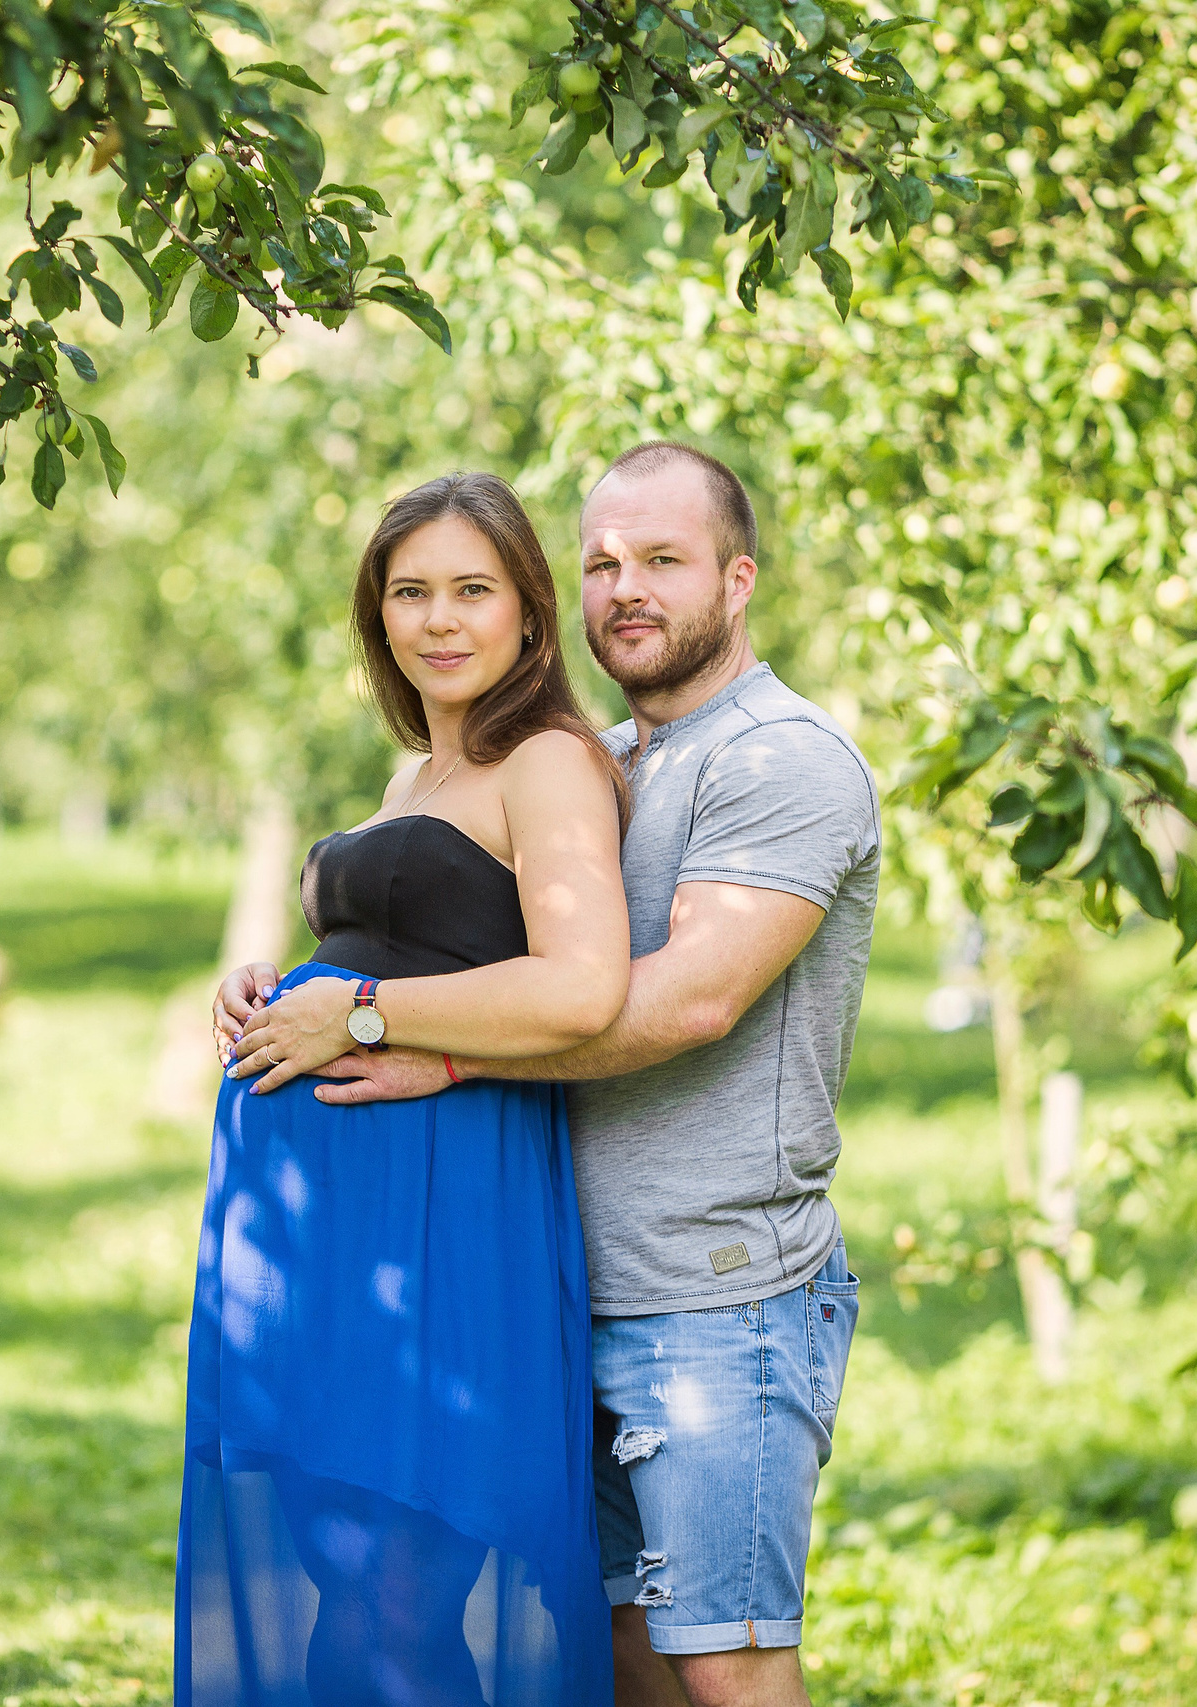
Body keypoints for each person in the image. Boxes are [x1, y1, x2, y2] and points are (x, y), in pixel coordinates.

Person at [214, 443, 881, 1707]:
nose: (627, 589)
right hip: (553, 1270)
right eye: (605, 565)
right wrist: (292, 984)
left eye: (664, 562)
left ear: (738, 581)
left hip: (711, 1286)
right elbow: (465, 931)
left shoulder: (778, 761)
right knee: (620, 1653)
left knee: (724, 1662)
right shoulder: (603, 754)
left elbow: (684, 998)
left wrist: (406, 1037)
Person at [178, 471, 635, 1706]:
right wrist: (275, 988)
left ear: (530, 616)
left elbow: (582, 988)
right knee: (348, 1586)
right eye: (410, 591)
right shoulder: (411, 778)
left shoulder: (545, 762)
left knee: (398, 1596)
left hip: (446, 1221)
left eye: (471, 590)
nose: (440, 619)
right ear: (376, 617)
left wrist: (358, 1011)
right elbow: (407, 952)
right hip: (333, 1242)